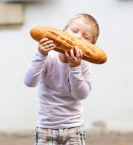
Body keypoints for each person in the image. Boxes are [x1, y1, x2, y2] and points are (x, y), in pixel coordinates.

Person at [24, 13, 100, 145]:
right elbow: (29, 82)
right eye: (74, 31)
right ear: (63, 31)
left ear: (90, 47)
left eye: (85, 37)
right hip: (46, 127)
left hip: (74, 127)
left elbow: (80, 94)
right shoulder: (48, 57)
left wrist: (75, 68)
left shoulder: (84, 64)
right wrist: (41, 55)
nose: (77, 37)